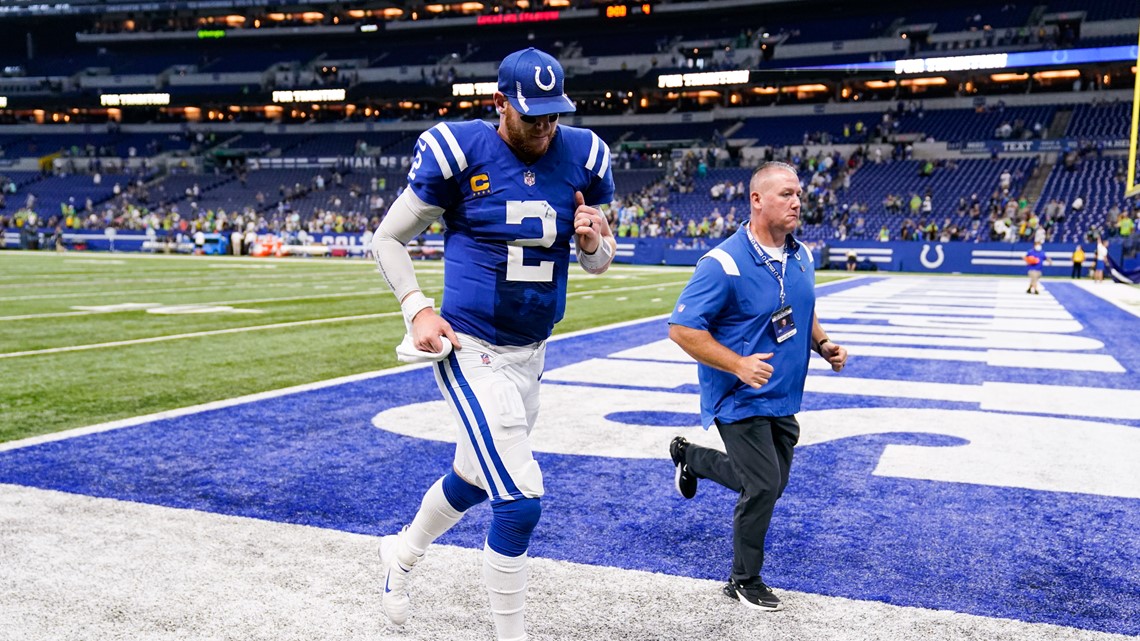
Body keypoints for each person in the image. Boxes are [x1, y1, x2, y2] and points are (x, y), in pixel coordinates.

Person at [369, 47, 616, 641]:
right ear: (500, 103)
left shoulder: (584, 154)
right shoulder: (461, 150)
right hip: (470, 345)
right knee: (521, 501)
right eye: (533, 117)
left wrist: (592, 242)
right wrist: (417, 308)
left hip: (533, 350)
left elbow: (601, 264)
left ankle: (399, 555)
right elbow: (388, 238)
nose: (545, 128)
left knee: (474, 478)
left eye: (554, 116)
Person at [666, 161, 848, 612]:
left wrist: (822, 342)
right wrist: (739, 365)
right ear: (757, 200)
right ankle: (743, 579)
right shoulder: (723, 262)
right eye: (786, 193)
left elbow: (800, 308)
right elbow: (682, 328)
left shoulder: (800, 255)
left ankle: (690, 457)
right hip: (739, 395)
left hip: (783, 395)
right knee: (764, 486)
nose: (797, 202)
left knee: (767, 483)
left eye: (799, 194)